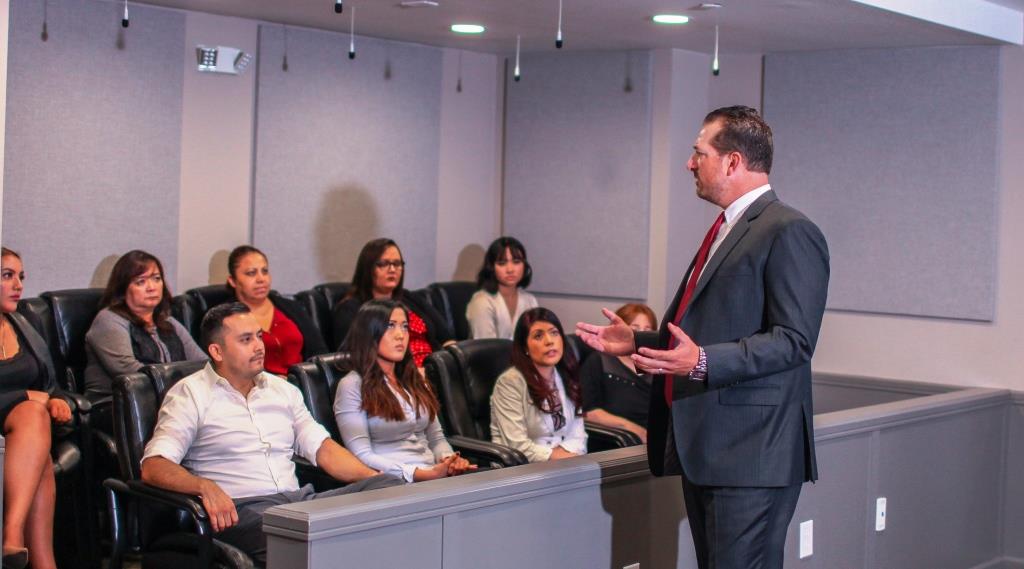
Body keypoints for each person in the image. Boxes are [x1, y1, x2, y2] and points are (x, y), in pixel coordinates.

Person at [577, 106, 829, 569]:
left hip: (752, 453)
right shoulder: (726, 228)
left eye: (699, 153)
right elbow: (709, 331)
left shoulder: (789, 231)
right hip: (711, 448)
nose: (689, 164)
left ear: (732, 161)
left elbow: (794, 340)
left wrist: (701, 364)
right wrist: (637, 343)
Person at [140, 302, 401, 567]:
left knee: (391, 488)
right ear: (217, 351)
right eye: (246, 339)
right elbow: (154, 465)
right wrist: (203, 486)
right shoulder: (190, 394)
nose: (259, 346)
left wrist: (371, 477)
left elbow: (322, 448)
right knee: (306, 539)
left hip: (300, 503)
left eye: (259, 336)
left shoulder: (282, 390)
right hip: (242, 512)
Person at [334, 299, 476, 482]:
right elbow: (361, 455)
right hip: (392, 483)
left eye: (405, 327)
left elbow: (436, 439)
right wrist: (419, 474)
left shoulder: (414, 378)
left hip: (434, 475)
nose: (400, 335)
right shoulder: (352, 385)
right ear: (369, 332)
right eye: (390, 326)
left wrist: (449, 460)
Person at [0, 248, 72, 569]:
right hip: (12, 418)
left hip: (26, 425)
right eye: (7, 275)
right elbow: (33, 394)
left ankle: (19, 547)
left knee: (35, 423)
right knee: (33, 413)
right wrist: (28, 396)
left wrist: (54, 398)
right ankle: (26, 546)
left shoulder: (24, 321)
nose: (18, 285)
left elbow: (49, 383)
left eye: (21, 276)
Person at [84, 250, 206, 400]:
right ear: (123, 289)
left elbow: (201, 363)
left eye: (156, 278)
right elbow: (128, 369)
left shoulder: (169, 322)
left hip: (170, 398)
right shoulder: (109, 320)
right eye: (140, 282)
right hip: (118, 405)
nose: (151, 287)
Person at [331, 238, 454, 367]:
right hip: (394, 374)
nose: (392, 269)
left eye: (397, 263)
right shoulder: (350, 309)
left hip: (433, 366)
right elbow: (353, 355)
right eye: (383, 264)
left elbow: (446, 336)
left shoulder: (409, 297)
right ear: (367, 268)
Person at [490, 307, 587, 463]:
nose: (549, 341)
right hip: (521, 470)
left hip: (567, 463)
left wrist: (568, 458)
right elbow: (517, 446)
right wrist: (563, 459)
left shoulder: (567, 373)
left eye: (554, 333)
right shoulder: (510, 382)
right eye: (538, 336)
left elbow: (578, 434)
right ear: (524, 348)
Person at [226, 245, 328, 376]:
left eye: (265, 271)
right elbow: (231, 366)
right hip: (258, 389)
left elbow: (319, 352)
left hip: (303, 384)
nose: (261, 279)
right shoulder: (226, 318)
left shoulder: (292, 307)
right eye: (251, 273)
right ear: (232, 281)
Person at [578, 303, 657, 442]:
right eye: (635, 328)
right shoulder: (599, 361)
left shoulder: (656, 364)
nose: (641, 334)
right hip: (621, 439)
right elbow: (589, 412)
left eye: (647, 329)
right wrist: (631, 428)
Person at [466, 236, 539, 340]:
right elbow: (487, 349)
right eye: (502, 263)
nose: (510, 269)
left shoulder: (530, 300)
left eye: (516, 262)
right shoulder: (482, 301)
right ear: (491, 267)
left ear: (524, 265)